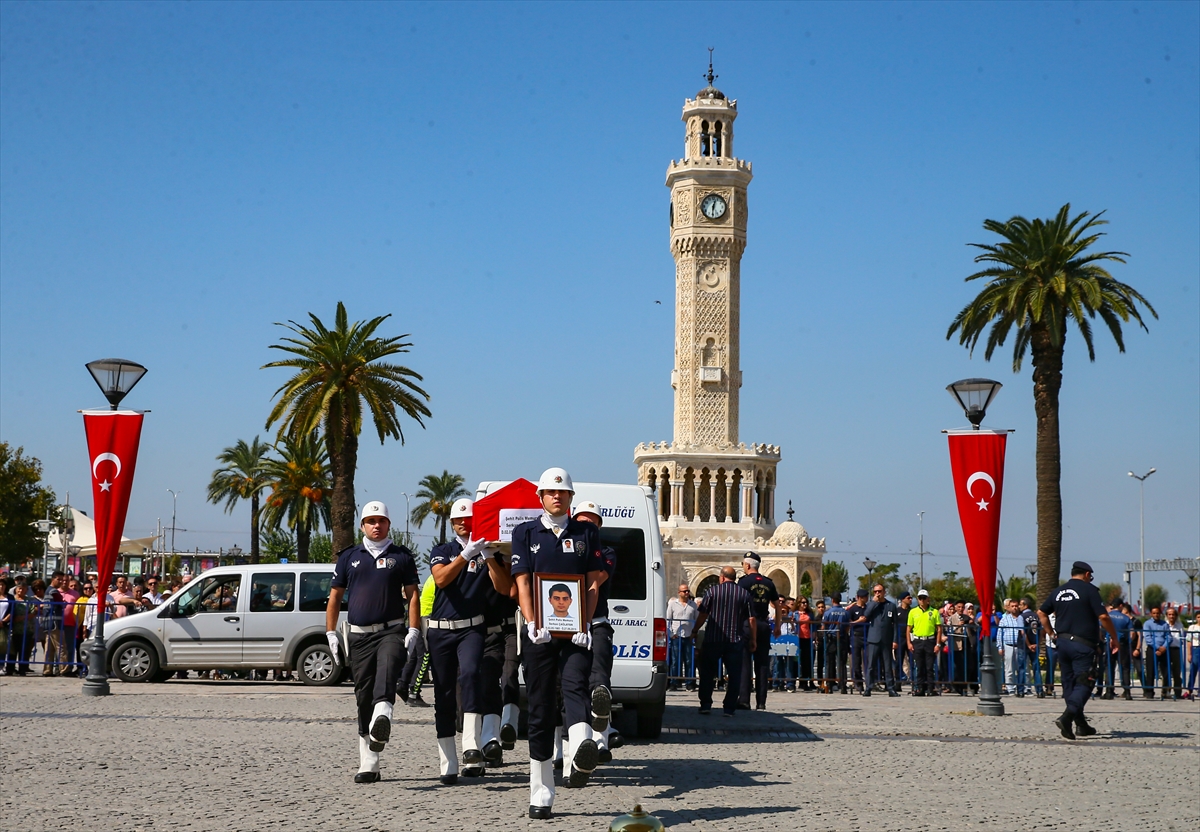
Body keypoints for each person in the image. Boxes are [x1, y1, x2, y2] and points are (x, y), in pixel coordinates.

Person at [509, 468, 606, 819]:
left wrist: (586, 623)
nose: (556, 497)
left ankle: (582, 748)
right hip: (539, 635)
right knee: (540, 708)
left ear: (570, 497)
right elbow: (522, 583)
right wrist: (532, 622)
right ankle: (541, 791)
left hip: (577, 632)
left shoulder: (586, 533)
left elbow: (593, 583)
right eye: (550, 492)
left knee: (576, 686)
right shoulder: (524, 533)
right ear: (540, 496)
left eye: (562, 492)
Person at [325, 501, 420, 784]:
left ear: (389, 524)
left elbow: (413, 594)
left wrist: (414, 628)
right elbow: (335, 597)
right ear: (362, 525)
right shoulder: (348, 556)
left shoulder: (401, 556)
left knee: (389, 669)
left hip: (391, 630)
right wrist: (330, 632)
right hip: (358, 635)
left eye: (381, 520)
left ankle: (384, 716)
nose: (376, 525)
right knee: (362, 694)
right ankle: (369, 761)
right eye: (370, 521)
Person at [427, 497, 512, 784]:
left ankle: (471, 746)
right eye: (457, 520)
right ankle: (448, 761)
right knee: (444, 695)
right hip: (440, 630)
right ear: (451, 523)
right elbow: (441, 579)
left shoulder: (491, 551)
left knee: (472, 675)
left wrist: (487, 555)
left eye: (468, 518)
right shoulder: (444, 550)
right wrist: (465, 556)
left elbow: (504, 588)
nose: (463, 523)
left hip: (472, 629)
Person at [1037, 561, 1118, 740]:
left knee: (1069, 684)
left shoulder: (1058, 591)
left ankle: (1081, 725)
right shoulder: (1089, 590)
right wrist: (1114, 637)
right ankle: (1067, 717)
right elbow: (1103, 616)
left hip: (1063, 643)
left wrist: (1051, 633)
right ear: (1087, 574)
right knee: (1085, 682)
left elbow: (1041, 613)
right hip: (1083, 645)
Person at [573, 501, 619, 763]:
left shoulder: (607, 551)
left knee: (600, 680)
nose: (587, 525)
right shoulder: (565, 549)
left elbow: (596, 579)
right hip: (567, 626)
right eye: (582, 521)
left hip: (598, 622)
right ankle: (572, 744)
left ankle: (601, 740)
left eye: (592, 522)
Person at [695, 566, 755, 717]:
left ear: (721, 577)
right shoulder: (744, 594)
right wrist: (753, 638)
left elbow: (703, 614)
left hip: (713, 638)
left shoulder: (712, 592)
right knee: (734, 675)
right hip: (735, 639)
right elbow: (751, 618)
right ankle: (729, 708)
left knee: (707, 673)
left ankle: (706, 704)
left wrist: (695, 630)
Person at [479, 546, 520, 766]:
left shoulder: (515, 552)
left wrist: (505, 559)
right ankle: (490, 742)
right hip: (487, 630)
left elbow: (510, 590)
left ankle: (509, 725)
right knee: (488, 683)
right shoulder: (477, 553)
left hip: (513, 626)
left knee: (510, 673)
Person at [737, 553, 778, 710]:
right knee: (762, 665)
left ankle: (744, 700)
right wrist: (779, 625)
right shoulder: (768, 583)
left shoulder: (743, 582)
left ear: (747, 565)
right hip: (764, 624)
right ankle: (761, 702)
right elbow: (777, 605)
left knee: (745, 664)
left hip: (748, 624)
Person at [862, 584, 899, 697]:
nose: (877, 593)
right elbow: (866, 615)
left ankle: (891, 688)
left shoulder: (891, 606)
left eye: (880, 591)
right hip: (873, 638)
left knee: (887, 666)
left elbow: (895, 624)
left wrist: (895, 640)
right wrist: (874, 602)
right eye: (875, 591)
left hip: (886, 639)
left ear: (884, 592)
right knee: (871, 665)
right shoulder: (871, 605)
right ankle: (868, 688)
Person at [906, 589, 941, 696]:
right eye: (920, 598)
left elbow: (939, 629)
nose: (921, 600)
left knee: (930, 667)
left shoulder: (934, 612)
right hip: (917, 640)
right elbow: (908, 629)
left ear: (928, 599)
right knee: (919, 666)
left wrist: (938, 644)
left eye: (923, 598)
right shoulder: (913, 612)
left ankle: (931, 688)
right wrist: (909, 643)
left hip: (930, 640)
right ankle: (920, 688)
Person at [666, 583, 698, 691]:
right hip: (677, 636)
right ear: (679, 593)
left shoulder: (693, 605)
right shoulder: (673, 605)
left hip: (688, 636)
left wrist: (694, 632)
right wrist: (671, 634)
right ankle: (674, 682)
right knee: (675, 661)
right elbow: (668, 620)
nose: (687, 593)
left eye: (688, 591)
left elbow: (697, 619)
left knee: (689, 661)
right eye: (684, 591)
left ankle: (690, 683)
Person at [1102, 599, 1133, 700]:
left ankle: (1109, 691)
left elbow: (1100, 628)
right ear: (1120, 606)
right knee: (1124, 668)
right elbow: (1132, 633)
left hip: (1108, 644)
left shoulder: (1107, 616)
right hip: (1122, 644)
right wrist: (1128, 642)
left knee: (1109, 667)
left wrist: (1103, 639)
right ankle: (1127, 691)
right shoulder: (1125, 618)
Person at [1140, 607, 1170, 699]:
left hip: (1163, 649)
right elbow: (1148, 638)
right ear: (1151, 614)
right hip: (1152, 649)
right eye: (1154, 613)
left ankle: (1165, 691)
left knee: (1166, 671)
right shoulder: (1147, 624)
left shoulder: (1164, 624)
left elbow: (1168, 636)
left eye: (1158, 613)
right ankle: (1149, 691)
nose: (1156, 615)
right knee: (1150, 671)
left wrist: (1164, 647)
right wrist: (1157, 648)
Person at [823, 593, 850, 693]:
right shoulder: (845, 612)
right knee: (842, 663)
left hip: (831, 639)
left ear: (832, 600)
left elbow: (823, 626)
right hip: (842, 638)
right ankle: (843, 686)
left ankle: (830, 685)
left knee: (830, 662)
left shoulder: (828, 612)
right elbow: (847, 626)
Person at [997, 599, 1025, 696]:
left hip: (1020, 646)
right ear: (1009, 607)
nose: (1014, 608)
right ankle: (1010, 688)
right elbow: (1000, 633)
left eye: (1016, 606)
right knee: (1009, 668)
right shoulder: (1005, 619)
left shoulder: (1022, 618)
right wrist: (1000, 647)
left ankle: (1022, 688)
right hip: (1008, 645)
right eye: (1012, 606)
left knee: (1021, 668)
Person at [845, 589, 868, 694]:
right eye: (864, 597)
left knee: (867, 661)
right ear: (859, 597)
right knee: (856, 661)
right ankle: (858, 683)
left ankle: (869, 682)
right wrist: (859, 621)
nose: (866, 599)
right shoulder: (852, 609)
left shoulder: (868, 609)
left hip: (867, 636)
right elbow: (849, 623)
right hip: (856, 636)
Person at [1162, 607, 1184, 700]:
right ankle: (1165, 691)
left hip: (1176, 649)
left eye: (1173, 614)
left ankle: (1178, 692)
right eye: (1169, 614)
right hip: (1166, 649)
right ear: (1166, 616)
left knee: (1176, 671)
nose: (1171, 616)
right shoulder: (1164, 625)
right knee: (1166, 672)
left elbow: (1182, 638)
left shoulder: (1179, 625)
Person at [795, 596, 814, 691]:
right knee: (797, 661)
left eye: (806, 602)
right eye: (803, 602)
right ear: (798, 604)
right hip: (797, 639)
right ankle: (797, 681)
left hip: (807, 638)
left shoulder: (809, 614)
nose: (805, 604)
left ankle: (806, 681)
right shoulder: (794, 614)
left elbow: (813, 626)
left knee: (806, 661)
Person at [894, 592, 913, 686]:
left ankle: (914, 682)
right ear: (902, 599)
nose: (910, 600)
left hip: (910, 638)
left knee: (913, 661)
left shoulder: (912, 611)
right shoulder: (897, 611)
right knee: (899, 661)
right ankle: (897, 683)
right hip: (899, 638)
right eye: (908, 598)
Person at [1185, 614, 1200, 699]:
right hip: (1195, 649)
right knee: (1193, 670)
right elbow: (1188, 640)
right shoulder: (1192, 627)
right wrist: (1189, 653)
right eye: (1198, 617)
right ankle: (1189, 689)